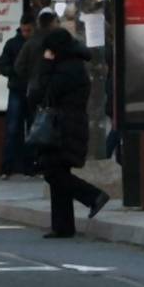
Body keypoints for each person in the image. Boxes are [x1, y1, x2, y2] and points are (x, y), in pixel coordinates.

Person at [32, 27, 109, 238]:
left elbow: (43, 92)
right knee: (58, 172)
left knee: (53, 172)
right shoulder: (72, 65)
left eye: (49, 50)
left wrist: (46, 65)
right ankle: (63, 226)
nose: (46, 53)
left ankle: (93, 196)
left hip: (63, 127)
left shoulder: (67, 68)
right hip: (66, 124)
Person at [0, 13, 35, 178]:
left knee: (30, 129)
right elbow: (3, 65)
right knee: (14, 128)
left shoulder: (32, 43)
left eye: (29, 30)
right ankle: (9, 166)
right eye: (24, 30)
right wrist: (14, 73)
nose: (26, 33)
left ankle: (26, 165)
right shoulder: (13, 44)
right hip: (19, 88)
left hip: (29, 90)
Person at [17, 9, 57, 103]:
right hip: (53, 87)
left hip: (34, 87)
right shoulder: (57, 41)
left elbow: (19, 67)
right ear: (52, 23)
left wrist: (31, 76)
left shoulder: (31, 43)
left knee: (35, 115)